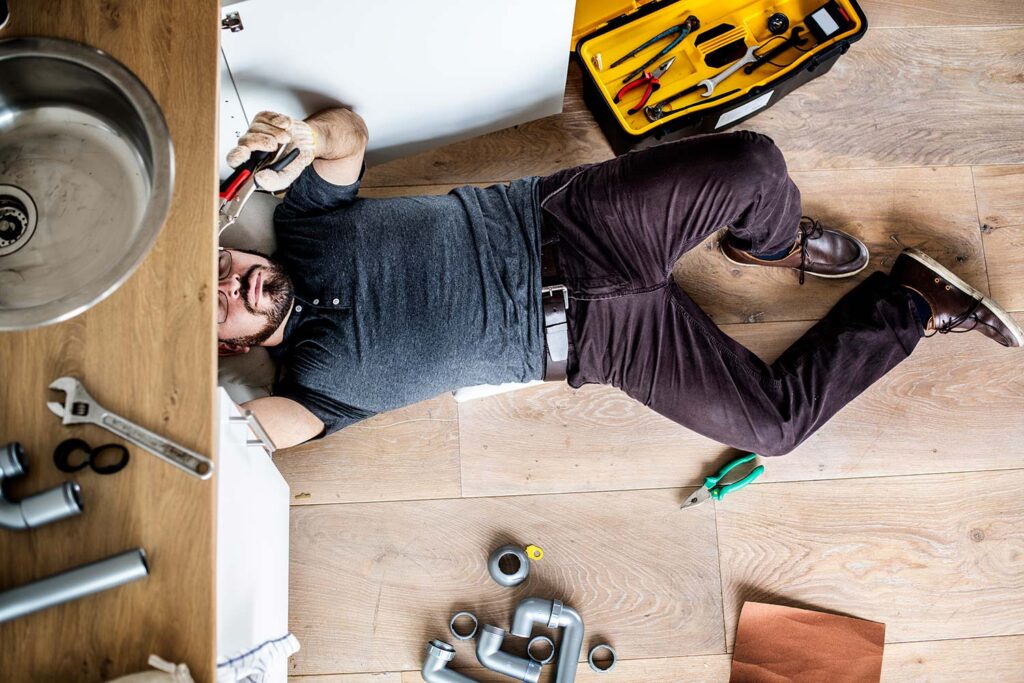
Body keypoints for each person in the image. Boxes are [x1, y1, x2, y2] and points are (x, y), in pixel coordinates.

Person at [218, 108, 1022, 450]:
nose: (235, 281)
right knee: (773, 430)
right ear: (226, 350)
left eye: (223, 267)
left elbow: (348, 132)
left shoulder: (306, 226)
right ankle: (915, 299)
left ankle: (765, 244)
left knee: (755, 163)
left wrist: (305, 132)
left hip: (570, 223)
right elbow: (243, 443)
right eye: (219, 303)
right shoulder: (312, 388)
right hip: (603, 341)